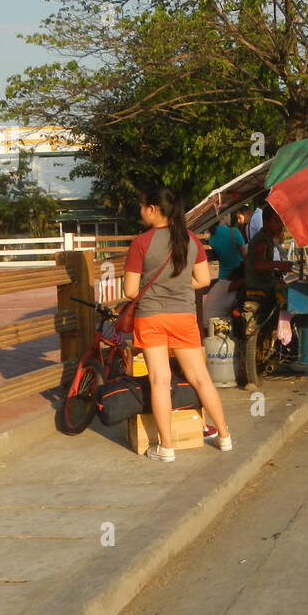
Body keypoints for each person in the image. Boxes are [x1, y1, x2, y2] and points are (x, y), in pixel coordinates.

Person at [124, 186, 233, 460]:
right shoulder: (191, 239)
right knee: (201, 378)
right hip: (184, 316)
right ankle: (224, 436)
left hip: (151, 317)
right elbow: (204, 280)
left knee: (160, 380)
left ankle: (167, 448)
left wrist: (156, 292)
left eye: (142, 206)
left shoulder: (141, 243)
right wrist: (180, 289)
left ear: (152, 209)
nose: (140, 211)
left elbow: (129, 291)